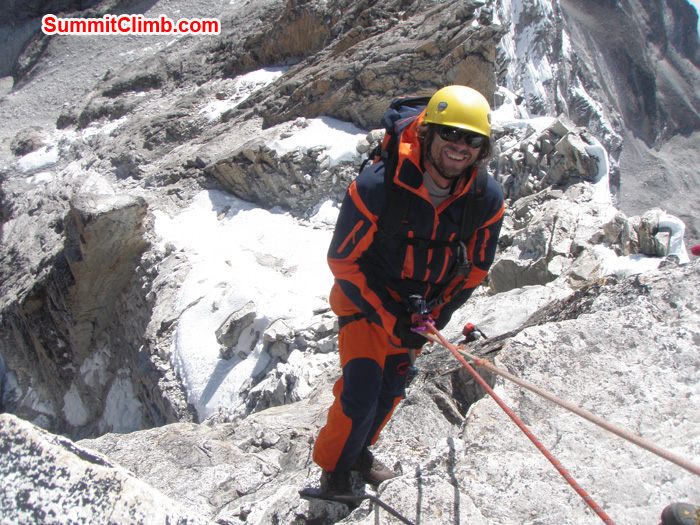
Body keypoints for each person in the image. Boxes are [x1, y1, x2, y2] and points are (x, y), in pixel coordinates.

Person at [312, 85, 505, 494]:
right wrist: (389, 317)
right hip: (363, 302)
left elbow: (476, 269)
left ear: (483, 149)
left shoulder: (484, 199)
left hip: (418, 311)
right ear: (428, 133)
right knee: (362, 391)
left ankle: (359, 454)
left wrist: (439, 314)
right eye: (450, 134)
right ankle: (334, 473)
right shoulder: (377, 186)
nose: (460, 147)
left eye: (472, 140)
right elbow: (343, 261)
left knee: (390, 389)